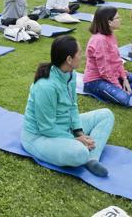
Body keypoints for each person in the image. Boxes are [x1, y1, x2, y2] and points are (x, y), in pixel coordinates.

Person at [21, 35, 114, 177]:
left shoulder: (70, 74)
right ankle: (85, 153)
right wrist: (74, 140)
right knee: (79, 153)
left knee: (106, 115)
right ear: (69, 60)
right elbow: (46, 127)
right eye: (80, 53)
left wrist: (79, 132)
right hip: (40, 136)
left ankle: (92, 159)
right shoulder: (45, 87)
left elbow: (72, 106)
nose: (83, 56)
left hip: (64, 126)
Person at [83, 7, 132, 106]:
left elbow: (117, 61)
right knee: (124, 99)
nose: (120, 19)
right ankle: (120, 91)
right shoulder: (100, 41)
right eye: (117, 18)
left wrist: (125, 78)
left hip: (112, 74)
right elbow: (105, 71)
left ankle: (122, 89)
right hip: (95, 81)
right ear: (109, 22)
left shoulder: (110, 35)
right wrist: (120, 87)